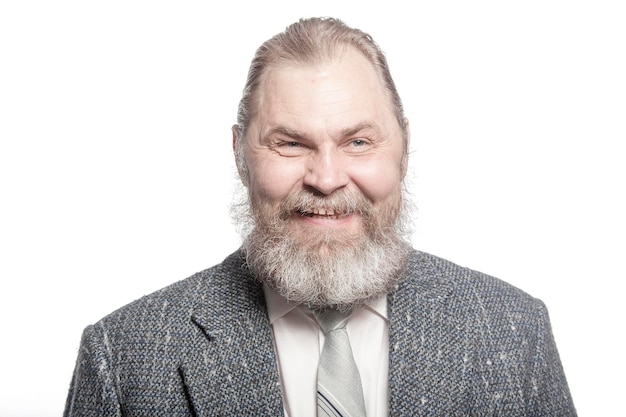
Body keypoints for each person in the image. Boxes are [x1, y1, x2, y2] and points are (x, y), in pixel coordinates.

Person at [64, 17, 576, 416]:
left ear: (404, 147)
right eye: (289, 143)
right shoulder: (124, 357)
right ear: (241, 154)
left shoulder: (514, 333)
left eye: (357, 141)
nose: (327, 178)